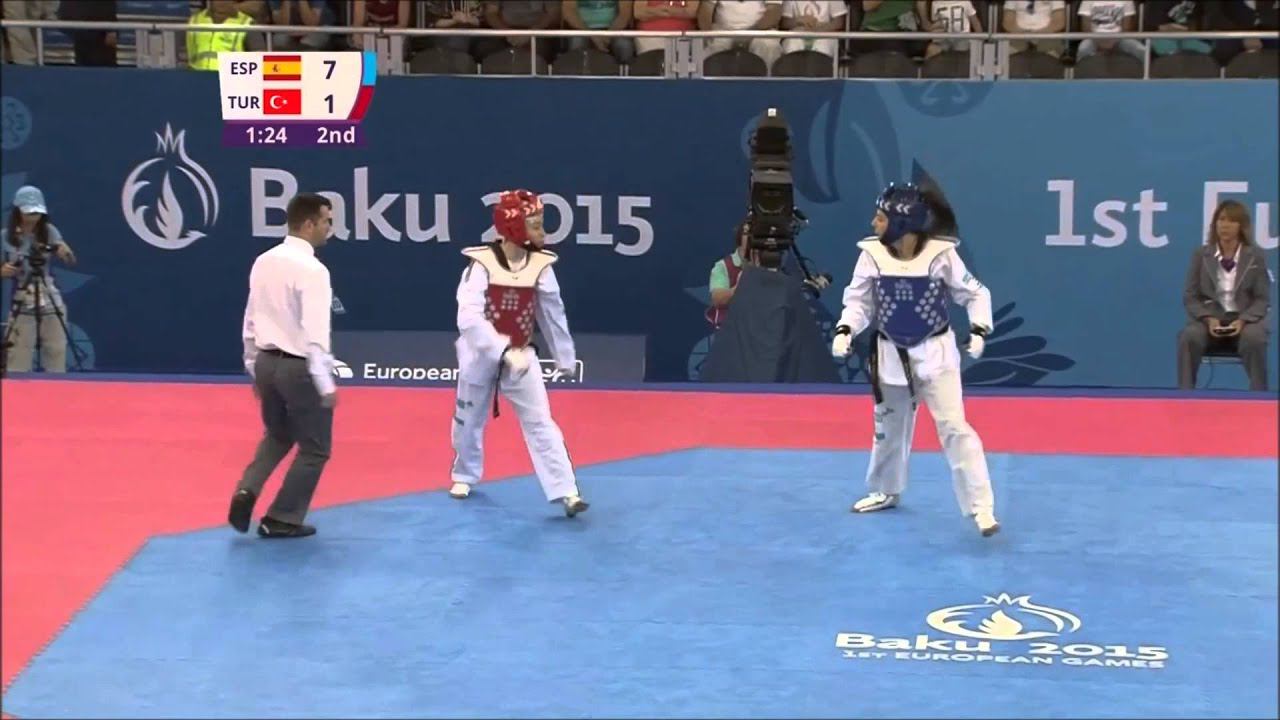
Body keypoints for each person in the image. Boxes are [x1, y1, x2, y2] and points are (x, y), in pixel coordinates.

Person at [831, 182, 999, 537]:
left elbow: (975, 293)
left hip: (936, 353)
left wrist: (980, 329)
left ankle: (981, 507)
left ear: (902, 223)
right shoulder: (871, 255)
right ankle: (886, 490)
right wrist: (846, 329)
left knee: (954, 427)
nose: (874, 223)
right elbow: (859, 301)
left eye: (880, 218)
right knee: (888, 427)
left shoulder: (941, 255)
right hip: (890, 351)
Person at [448, 189, 588, 517]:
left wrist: (564, 356)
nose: (543, 233)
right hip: (480, 353)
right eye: (536, 225)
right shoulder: (481, 264)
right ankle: (464, 474)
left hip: (523, 355)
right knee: (469, 420)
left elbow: (552, 314)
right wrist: (500, 349)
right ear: (514, 228)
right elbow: (468, 317)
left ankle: (567, 491)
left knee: (541, 422)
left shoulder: (541, 266)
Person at [229, 193, 338, 539]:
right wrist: (325, 384)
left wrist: (252, 365)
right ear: (308, 224)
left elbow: (250, 319)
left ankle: (246, 489)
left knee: (278, 434)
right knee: (315, 448)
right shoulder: (314, 270)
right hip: (299, 368)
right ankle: (282, 517)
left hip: (266, 362)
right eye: (327, 221)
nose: (330, 228)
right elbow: (315, 333)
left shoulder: (263, 261)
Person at [1177, 199, 1271, 391]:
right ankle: (1185, 395)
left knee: (1255, 337)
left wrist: (1243, 320)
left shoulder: (1256, 256)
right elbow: (1190, 296)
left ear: (1241, 226)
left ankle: (1259, 397)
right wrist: (1208, 318)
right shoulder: (1201, 255)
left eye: (1231, 220)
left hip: (1244, 323)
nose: (1224, 225)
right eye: (1221, 220)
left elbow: (1262, 299)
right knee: (1189, 336)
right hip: (1209, 322)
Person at [2, 185, 77, 374]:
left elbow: (70, 259)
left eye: (37, 212)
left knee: (55, 351)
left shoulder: (49, 231)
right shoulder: (5, 236)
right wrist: (3, 270)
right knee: (18, 355)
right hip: (22, 298)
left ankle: (56, 388)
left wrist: (65, 253)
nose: (33, 216)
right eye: (29, 211)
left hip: (49, 296)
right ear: (18, 210)